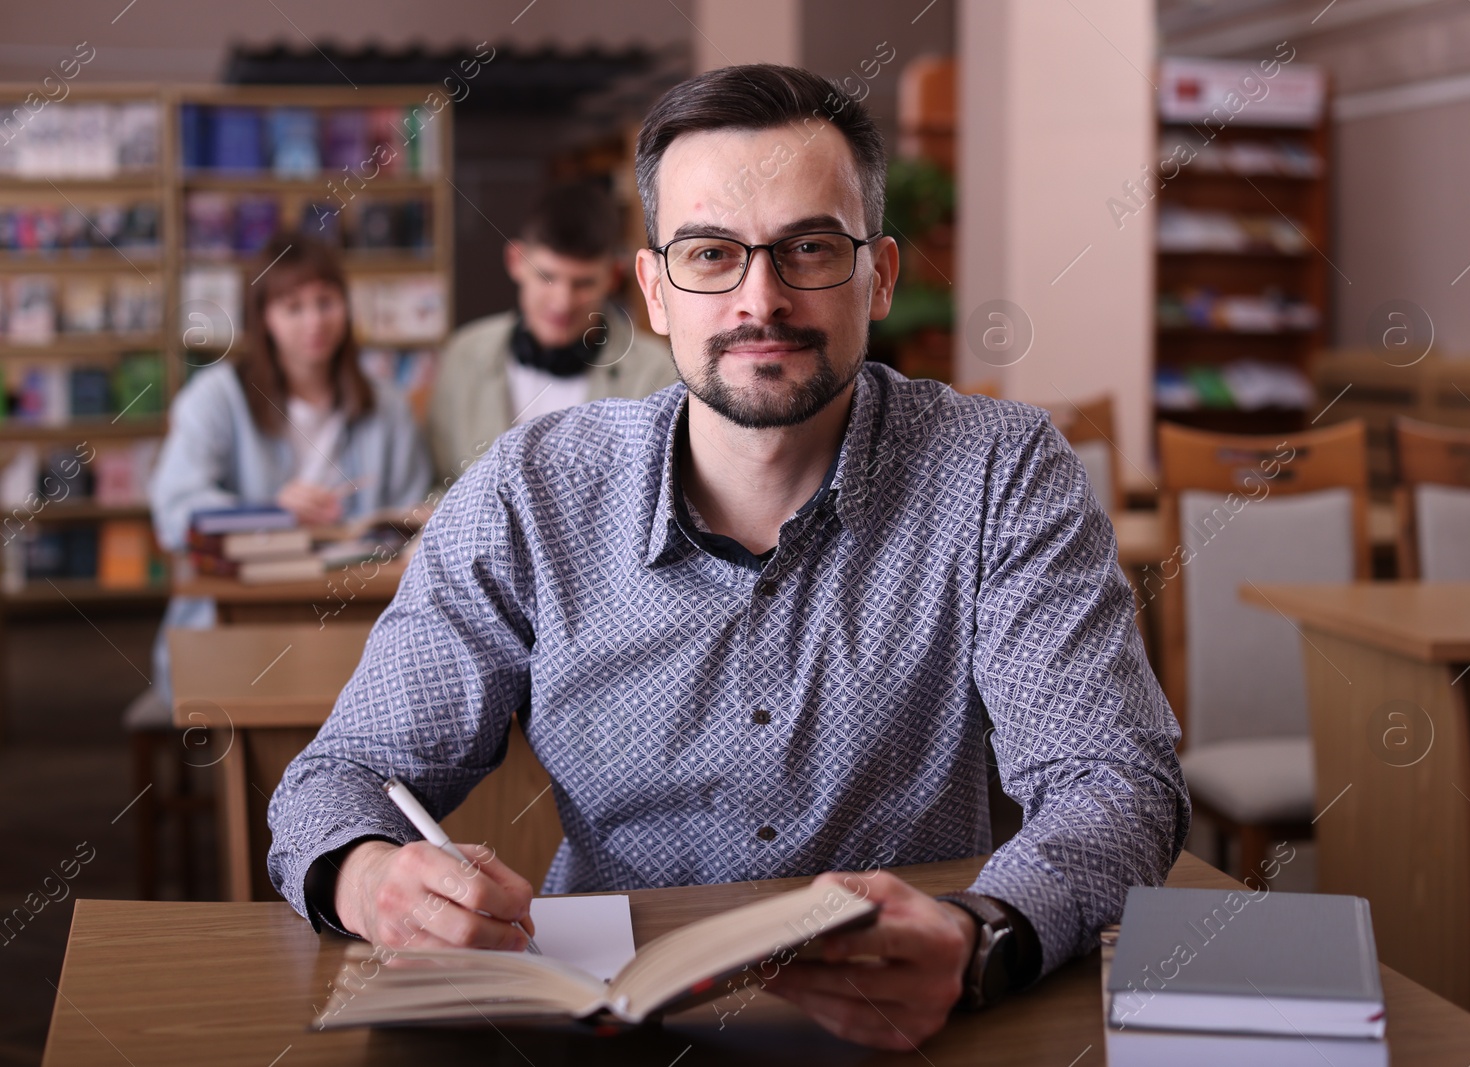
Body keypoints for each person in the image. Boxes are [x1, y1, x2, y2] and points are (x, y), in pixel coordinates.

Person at [268, 65, 1187, 1050]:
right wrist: (369, 877)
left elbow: (1115, 778)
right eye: (711, 253)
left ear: (879, 274)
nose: (763, 298)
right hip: (603, 1030)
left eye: (808, 248)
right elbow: (341, 774)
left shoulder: (999, 469)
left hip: (910, 1026)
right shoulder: (529, 490)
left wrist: (979, 933)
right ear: (655, 291)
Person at [147, 236, 433, 699]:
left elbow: (414, 511)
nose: (314, 321)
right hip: (241, 624)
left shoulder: (388, 406)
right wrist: (268, 513)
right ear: (263, 318)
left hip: (363, 616)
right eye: (292, 307)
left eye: (326, 302)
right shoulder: (216, 396)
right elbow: (174, 513)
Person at [426, 181, 679, 479]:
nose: (562, 303)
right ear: (515, 261)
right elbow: (439, 485)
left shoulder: (656, 373)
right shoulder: (463, 355)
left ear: (613, 277)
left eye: (583, 283)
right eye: (546, 276)